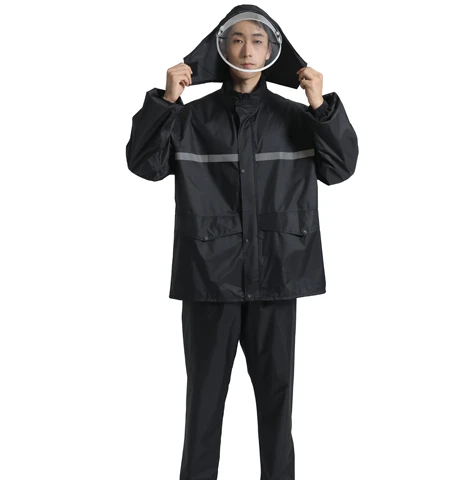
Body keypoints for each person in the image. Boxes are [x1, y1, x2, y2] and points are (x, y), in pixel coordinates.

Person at [126, 4, 359, 479]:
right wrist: (166, 102)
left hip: (278, 276)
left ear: (272, 51)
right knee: (204, 403)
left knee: (277, 402)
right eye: (236, 39)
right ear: (221, 48)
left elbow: (339, 169)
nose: (247, 50)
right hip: (209, 279)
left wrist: (321, 106)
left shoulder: (299, 118)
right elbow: (145, 165)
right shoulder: (190, 119)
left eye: (257, 40)